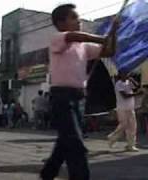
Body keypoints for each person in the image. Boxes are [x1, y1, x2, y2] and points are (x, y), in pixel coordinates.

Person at [40, 4, 118, 180]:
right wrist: (103, 38)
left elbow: (109, 50)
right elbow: (75, 36)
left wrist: (113, 32)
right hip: (61, 98)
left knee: (64, 143)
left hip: (78, 99)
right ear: (61, 23)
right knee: (75, 144)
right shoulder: (58, 38)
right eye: (74, 17)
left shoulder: (83, 46)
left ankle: (47, 174)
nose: (79, 20)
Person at [107, 73, 142, 151]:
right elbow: (125, 96)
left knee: (133, 127)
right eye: (126, 73)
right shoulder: (118, 84)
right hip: (122, 108)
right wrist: (136, 94)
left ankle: (131, 145)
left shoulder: (128, 82)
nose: (128, 74)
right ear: (121, 74)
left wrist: (132, 80)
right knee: (123, 125)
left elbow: (137, 86)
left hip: (130, 107)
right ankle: (112, 138)